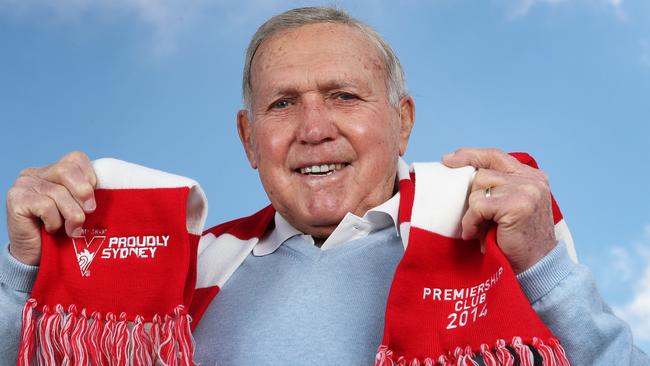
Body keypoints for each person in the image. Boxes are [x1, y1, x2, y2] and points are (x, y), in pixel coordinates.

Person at [1, 6, 648, 366]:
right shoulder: (174, 275)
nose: (315, 128)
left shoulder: (501, 242)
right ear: (248, 140)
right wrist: (23, 275)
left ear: (402, 122)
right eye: (282, 104)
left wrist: (543, 269)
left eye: (344, 95)